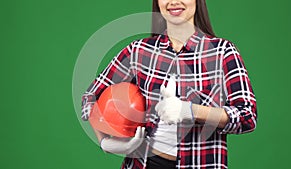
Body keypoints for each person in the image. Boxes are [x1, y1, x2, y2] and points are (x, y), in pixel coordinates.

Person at [81, 0, 257, 168]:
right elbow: (90, 97)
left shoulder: (222, 52)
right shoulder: (139, 51)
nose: (174, 2)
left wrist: (190, 110)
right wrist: (106, 142)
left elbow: (247, 116)